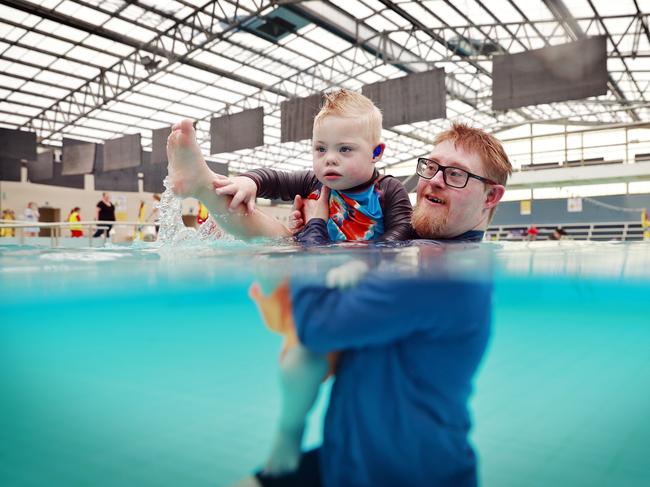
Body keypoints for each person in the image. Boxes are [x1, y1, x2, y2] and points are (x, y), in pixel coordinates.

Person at [234, 122, 511, 487]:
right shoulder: (413, 250)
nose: (435, 180)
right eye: (431, 167)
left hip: (406, 474)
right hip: (349, 456)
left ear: (491, 197)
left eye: (456, 174)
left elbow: (316, 327)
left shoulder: (440, 275)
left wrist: (311, 237)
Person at [167, 89, 413, 474]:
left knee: (283, 243)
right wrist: (250, 182)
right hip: (316, 278)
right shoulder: (316, 184)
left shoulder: (388, 190)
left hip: (359, 288)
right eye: (320, 149)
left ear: (376, 154)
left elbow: (402, 234)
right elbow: (275, 177)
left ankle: (203, 185)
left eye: (345, 150)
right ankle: (289, 430)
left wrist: (367, 261)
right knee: (298, 358)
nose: (329, 159)